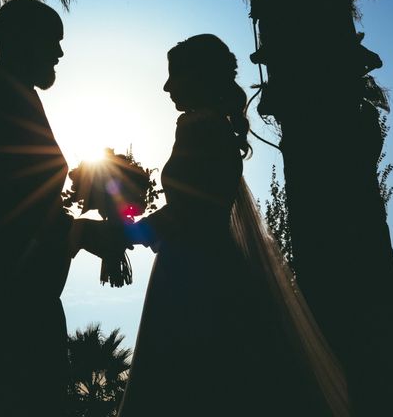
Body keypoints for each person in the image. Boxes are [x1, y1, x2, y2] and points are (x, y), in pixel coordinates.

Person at [117, 34, 350, 416]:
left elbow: (193, 213)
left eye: (175, 75)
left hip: (195, 275)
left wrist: (125, 233)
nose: (167, 86)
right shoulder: (209, 128)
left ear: (199, 77)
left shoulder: (203, 130)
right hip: (194, 264)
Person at [0, 0, 109, 417]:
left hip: (18, 294)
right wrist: (82, 232)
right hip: (7, 300)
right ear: (18, 41)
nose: (59, 54)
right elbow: (14, 208)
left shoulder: (10, 93)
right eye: (52, 42)